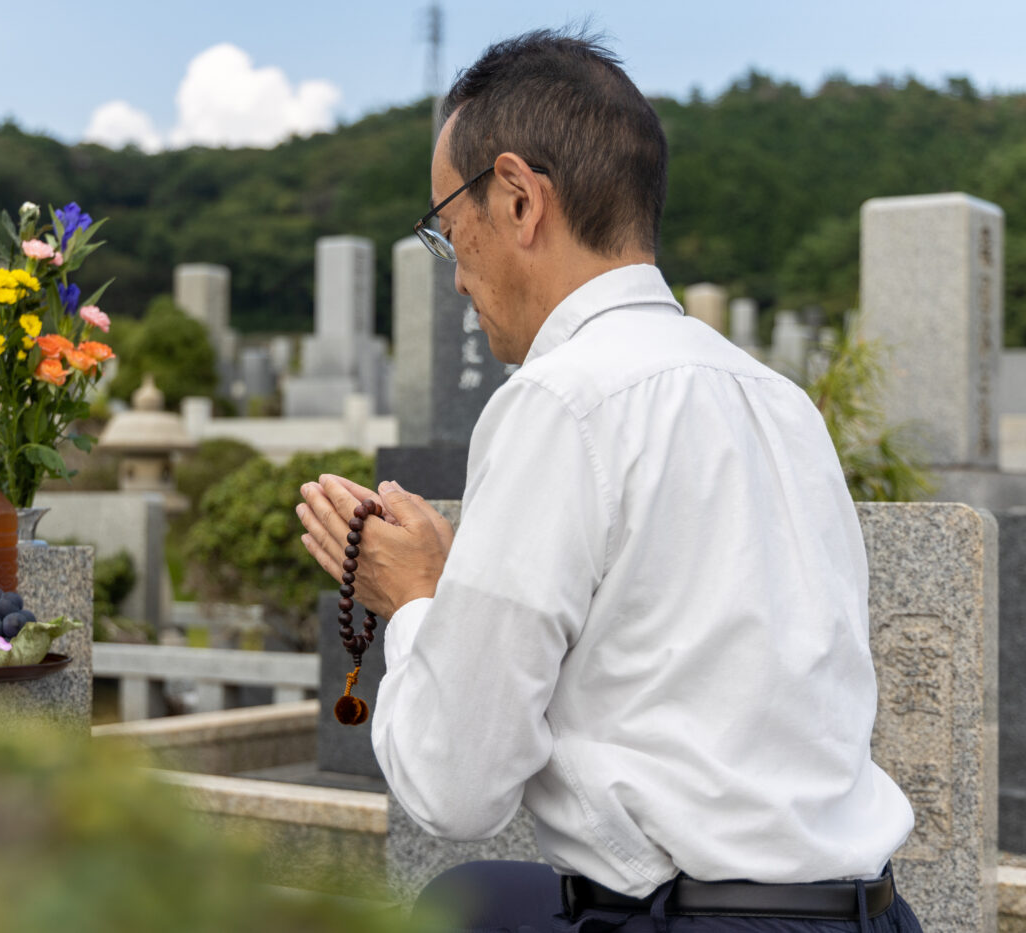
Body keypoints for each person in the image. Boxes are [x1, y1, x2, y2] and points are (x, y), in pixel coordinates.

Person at [296, 29, 923, 933]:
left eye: (446, 225)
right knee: (476, 901)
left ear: (517, 198)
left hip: (706, 922)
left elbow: (454, 785)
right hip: (868, 911)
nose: (455, 272)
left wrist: (420, 599)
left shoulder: (560, 399)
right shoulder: (781, 401)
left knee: (450, 905)